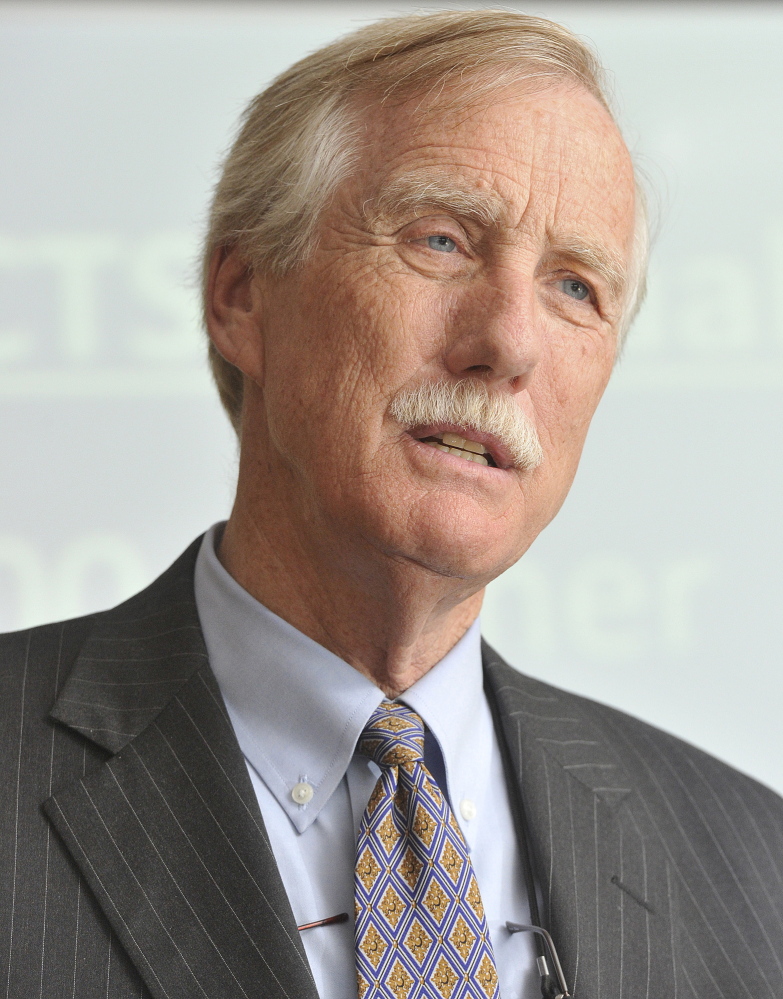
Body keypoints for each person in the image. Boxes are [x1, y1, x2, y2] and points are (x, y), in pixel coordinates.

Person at [2, 9, 782, 999]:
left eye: (575, 287)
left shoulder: (756, 871)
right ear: (242, 296)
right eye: (442, 239)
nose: (509, 340)